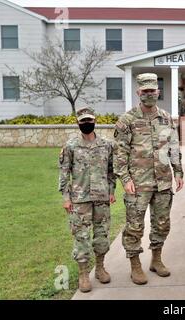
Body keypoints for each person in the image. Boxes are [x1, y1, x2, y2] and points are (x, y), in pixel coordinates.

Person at [113, 73, 184, 285]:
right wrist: (125, 179)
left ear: (158, 92)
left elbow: (173, 147)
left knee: (161, 224)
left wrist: (178, 172)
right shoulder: (127, 120)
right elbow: (120, 153)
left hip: (162, 181)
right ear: (138, 93)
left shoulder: (165, 117)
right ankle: (135, 265)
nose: (149, 94)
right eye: (145, 91)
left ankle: (156, 259)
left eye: (152, 91)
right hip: (138, 183)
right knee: (134, 225)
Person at [58, 106, 116, 293]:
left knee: (101, 236)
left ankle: (99, 268)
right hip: (79, 199)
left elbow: (111, 171)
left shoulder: (107, 145)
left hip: (101, 197)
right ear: (78, 123)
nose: (87, 124)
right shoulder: (70, 146)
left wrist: (111, 191)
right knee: (81, 237)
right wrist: (66, 198)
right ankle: (84, 274)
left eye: (89, 120)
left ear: (95, 121)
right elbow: (64, 173)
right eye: (83, 121)